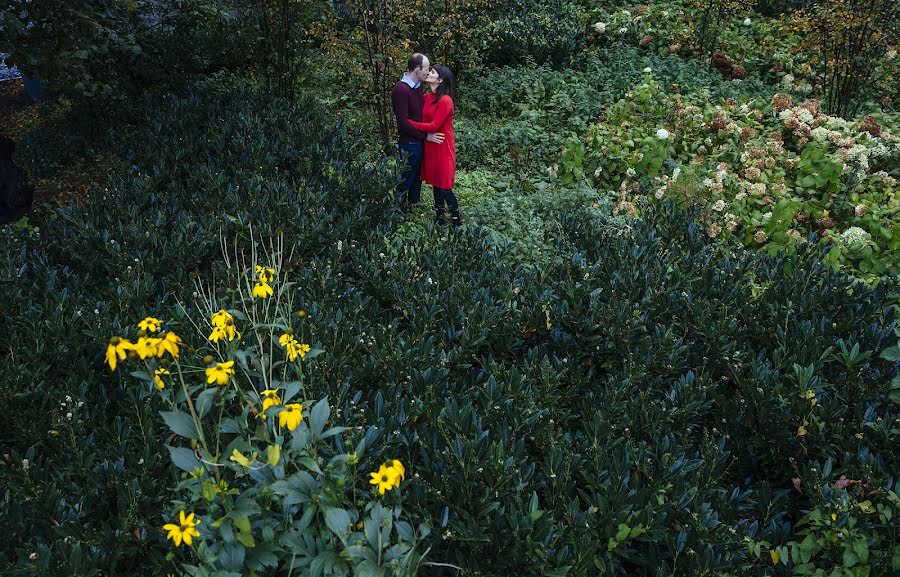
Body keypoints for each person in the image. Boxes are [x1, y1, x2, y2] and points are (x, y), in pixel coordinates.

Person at [407, 64, 460, 227]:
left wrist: (409, 123)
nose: (429, 73)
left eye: (433, 72)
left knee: (444, 186)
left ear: (441, 79)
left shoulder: (445, 101)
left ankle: (457, 221)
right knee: (436, 185)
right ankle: (439, 219)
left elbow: (434, 126)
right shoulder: (427, 97)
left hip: (442, 145)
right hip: (431, 144)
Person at [391, 53, 443, 211]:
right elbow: (403, 123)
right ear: (417, 69)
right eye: (426, 69)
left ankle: (413, 208)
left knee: (417, 177)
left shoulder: (418, 87)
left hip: (419, 141)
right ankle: (398, 211)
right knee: (406, 178)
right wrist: (426, 136)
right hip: (409, 142)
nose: (428, 72)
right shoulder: (400, 90)